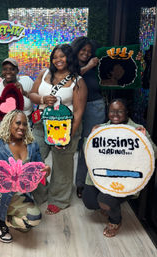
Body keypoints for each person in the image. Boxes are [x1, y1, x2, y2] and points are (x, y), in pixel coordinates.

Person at [82, 98, 157, 237]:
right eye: (112, 111)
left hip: (126, 179)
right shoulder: (101, 128)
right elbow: (88, 153)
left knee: (105, 200)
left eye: (120, 111)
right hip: (102, 176)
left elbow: (153, 154)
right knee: (90, 201)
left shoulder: (137, 130)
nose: (115, 114)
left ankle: (115, 220)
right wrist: (91, 136)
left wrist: (144, 138)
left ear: (127, 112)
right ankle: (109, 205)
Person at [0, 110, 50, 243]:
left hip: (21, 193)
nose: (21, 127)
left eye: (25, 124)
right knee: (8, 189)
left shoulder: (32, 146)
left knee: (32, 221)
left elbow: (40, 167)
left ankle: (5, 217)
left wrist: (46, 171)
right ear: (9, 123)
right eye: (18, 123)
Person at [29, 44, 87, 214]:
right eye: (55, 57)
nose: (58, 60)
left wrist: (67, 137)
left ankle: (59, 199)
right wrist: (41, 99)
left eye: (62, 56)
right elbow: (31, 94)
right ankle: (40, 193)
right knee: (34, 157)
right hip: (41, 125)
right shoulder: (44, 73)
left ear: (69, 58)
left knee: (62, 164)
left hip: (64, 128)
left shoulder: (78, 81)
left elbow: (78, 112)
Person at [71, 36, 106, 198]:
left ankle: (83, 184)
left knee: (89, 147)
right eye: (83, 50)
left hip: (95, 106)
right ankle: (64, 184)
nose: (86, 53)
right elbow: (72, 78)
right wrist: (88, 66)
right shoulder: (70, 65)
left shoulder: (96, 65)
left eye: (89, 52)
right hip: (75, 108)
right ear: (77, 50)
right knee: (70, 145)